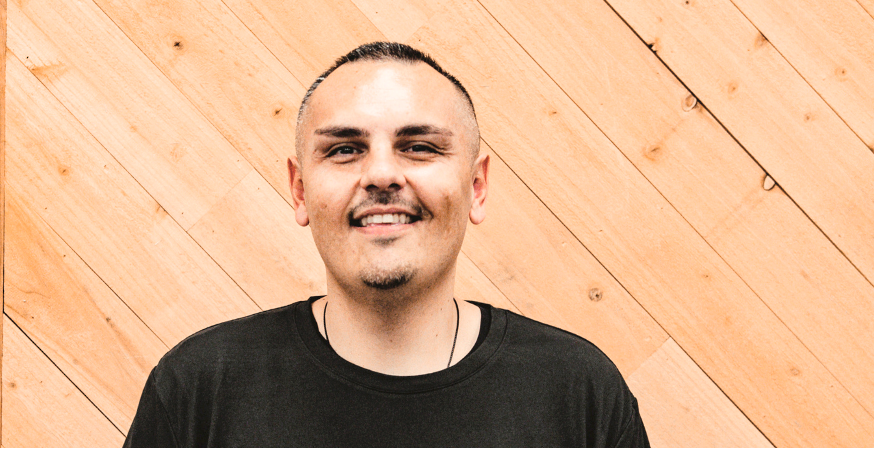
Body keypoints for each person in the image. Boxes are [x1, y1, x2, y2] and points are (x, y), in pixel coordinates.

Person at [124, 42, 650, 447]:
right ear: (300, 190)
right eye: (346, 149)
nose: (380, 174)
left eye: (418, 147)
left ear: (477, 187)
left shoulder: (578, 392)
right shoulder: (201, 388)